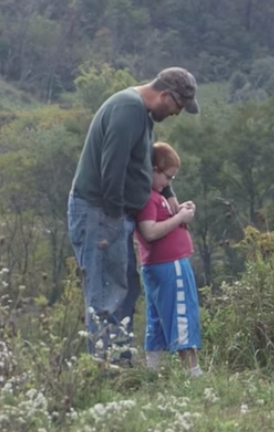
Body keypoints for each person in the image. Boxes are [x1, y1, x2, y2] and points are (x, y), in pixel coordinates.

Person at [68, 67, 199, 365]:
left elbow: (145, 160)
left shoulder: (140, 113)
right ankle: (109, 372)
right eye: (178, 107)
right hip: (99, 213)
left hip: (111, 214)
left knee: (123, 288)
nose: (177, 114)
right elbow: (111, 169)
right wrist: (115, 216)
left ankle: (120, 364)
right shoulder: (128, 109)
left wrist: (168, 197)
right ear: (166, 95)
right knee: (106, 294)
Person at [135, 141, 203, 376]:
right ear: (154, 170)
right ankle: (192, 373)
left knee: (157, 320)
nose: (169, 184)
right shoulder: (149, 197)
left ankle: (153, 372)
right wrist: (179, 218)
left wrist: (180, 211)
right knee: (182, 314)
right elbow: (150, 231)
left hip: (158, 267)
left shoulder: (158, 196)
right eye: (168, 178)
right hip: (169, 265)